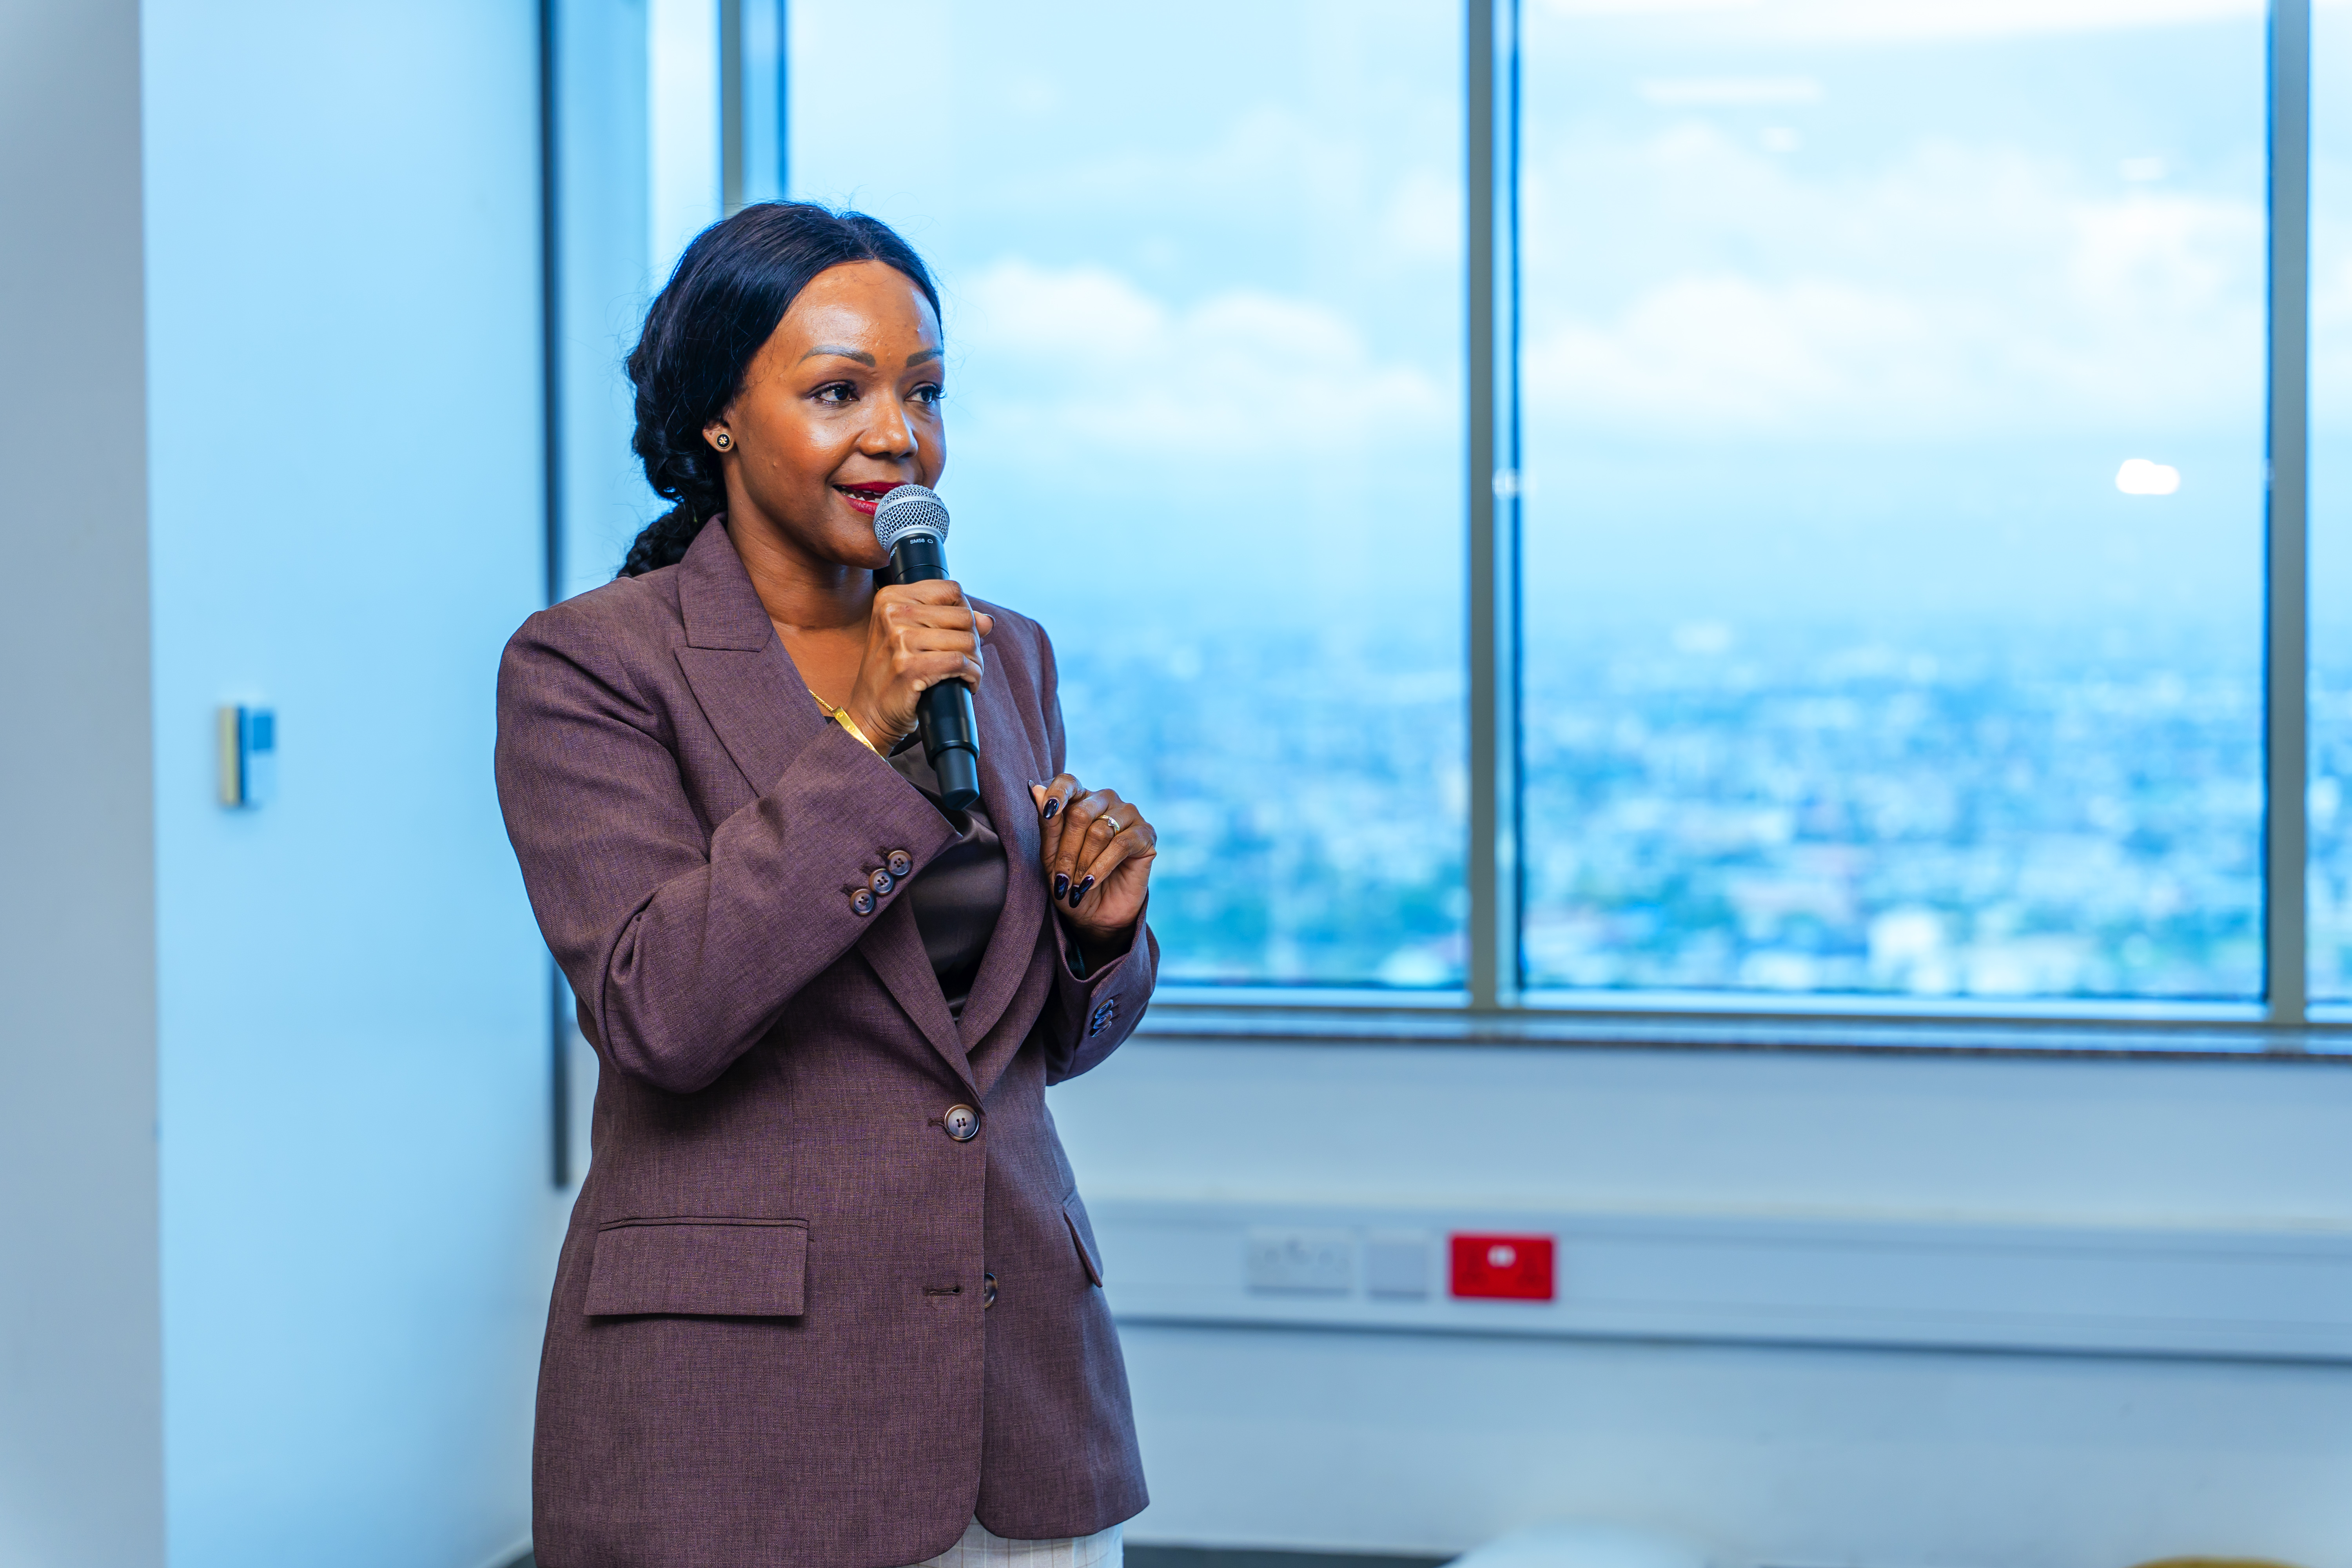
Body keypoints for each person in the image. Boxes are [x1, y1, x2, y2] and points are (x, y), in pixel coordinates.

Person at [495, 201, 1158, 1568]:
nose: (895, 434)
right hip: (735, 1416)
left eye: (923, 392)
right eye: (838, 391)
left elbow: (997, 1053)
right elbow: (657, 1015)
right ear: (719, 418)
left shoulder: (1001, 651)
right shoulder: (593, 666)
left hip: (1012, 1398)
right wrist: (863, 742)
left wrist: (1101, 940)